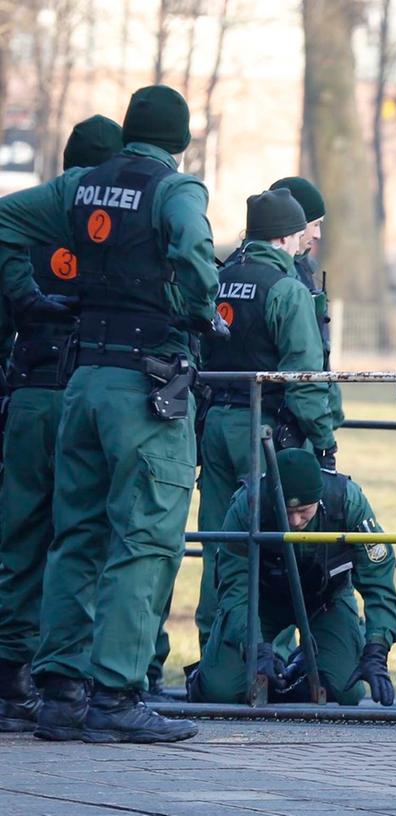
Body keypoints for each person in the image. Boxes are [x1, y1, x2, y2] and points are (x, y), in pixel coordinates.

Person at [0, 85, 220, 743]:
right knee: (145, 536)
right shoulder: (176, 189)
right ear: (179, 138)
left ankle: (61, 693)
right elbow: (191, 250)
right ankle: (116, 697)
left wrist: (30, 298)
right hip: (144, 383)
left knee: (78, 534)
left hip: (82, 378)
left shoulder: (81, 186)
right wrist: (201, 306)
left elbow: (6, 220)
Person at [0, 115, 122, 731]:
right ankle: (64, 682)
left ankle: (9, 678)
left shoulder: (24, 222)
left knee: (18, 537)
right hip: (87, 394)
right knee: (81, 537)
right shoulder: (113, 223)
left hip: (28, 394)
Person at [194, 188, 338, 653]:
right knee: (269, 544)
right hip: (265, 429)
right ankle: (265, 659)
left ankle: (215, 654)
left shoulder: (220, 278)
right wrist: (323, 441)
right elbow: (304, 376)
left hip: (215, 421)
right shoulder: (287, 289)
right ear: (286, 236)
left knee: (219, 542)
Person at [189, 449, 396, 705]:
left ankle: (303, 665)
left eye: (304, 511)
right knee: (218, 692)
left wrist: (377, 649)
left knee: (348, 690)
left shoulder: (348, 501)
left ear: (319, 498)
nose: (295, 520)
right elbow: (235, 588)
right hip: (260, 604)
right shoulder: (248, 506)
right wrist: (256, 647)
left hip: (326, 601)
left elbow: (378, 579)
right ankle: (218, 672)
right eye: (286, 511)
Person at [268, 176, 344, 429]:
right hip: (287, 417)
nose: (318, 234)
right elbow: (305, 359)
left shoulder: (299, 270)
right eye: (315, 224)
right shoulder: (286, 278)